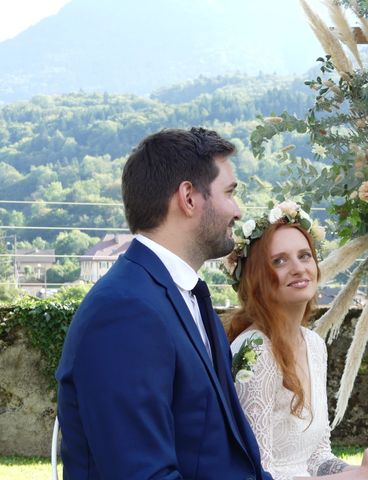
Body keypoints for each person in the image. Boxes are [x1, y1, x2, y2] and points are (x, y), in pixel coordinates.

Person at [56, 127, 274, 479]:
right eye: (230, 193)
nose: (237, 211)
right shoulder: (125, 311)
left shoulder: (186, 296)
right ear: (189, 197)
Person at [225, 203, 368, 480]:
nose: (298, 268)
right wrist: (361, 477)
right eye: (279, 261)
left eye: (304, 256)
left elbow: (317, 458)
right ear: (256, 279)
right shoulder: (253, 351)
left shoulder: (313, 344)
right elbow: (257, 474)